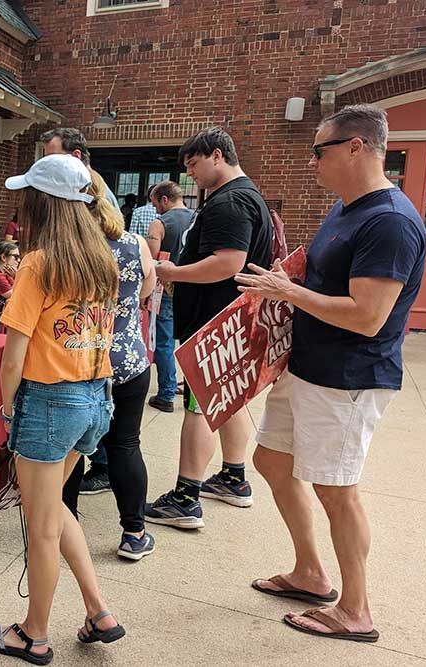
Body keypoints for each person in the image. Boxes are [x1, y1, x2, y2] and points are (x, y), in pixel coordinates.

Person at [235, 104, 426, 643]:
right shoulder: (347, 209)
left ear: (356, 147)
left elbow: (368, 316)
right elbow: (327, 280)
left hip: (348, 377)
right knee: (272, 460)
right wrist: (290, 279)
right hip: (308, 366)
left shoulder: (389, 221)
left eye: (319, 150)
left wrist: (289, 292)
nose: (312, 160)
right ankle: (310, 573)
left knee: (337, 489)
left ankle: (356, 610)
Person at [0, 154, 123, 664]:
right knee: (53, 507)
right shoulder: (102, 259)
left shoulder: (38, 263)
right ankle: (98, 610)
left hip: (49, 400)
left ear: (42, 203)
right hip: (94, 396)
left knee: (40, 524)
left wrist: (7, 410)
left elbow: (12, 355)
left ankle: (33, 634)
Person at [145, 127, 273, 528]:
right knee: (227, 401)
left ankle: (185, 498)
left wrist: (173, 272)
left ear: (217, 155)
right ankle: (234, 478)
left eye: (194, 164)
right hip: (234, 321)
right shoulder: (245, 196)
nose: (190, 174)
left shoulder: (229, 202)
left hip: (216, 325)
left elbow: (228, 263)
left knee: (198, 408)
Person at [63, 169, 157, 561]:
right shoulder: (136, 243)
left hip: (76, 361)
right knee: (125, 445)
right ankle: (134, 532)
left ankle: (65, 529)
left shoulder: (64, 249)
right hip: (128, 359)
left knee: (70, 450)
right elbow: (147, 289)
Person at [145, 180, 194, 413]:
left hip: (165, 290)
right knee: (191, 342)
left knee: (164, 342)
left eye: (155, 204)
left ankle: (166, 394)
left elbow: (150, 262)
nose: (155, 209)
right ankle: (194, 394)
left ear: (164, 199)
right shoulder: (198, 219)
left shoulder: (160, 224)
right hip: (194, 286)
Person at [40, 127, 119, 209]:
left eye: (53, 158)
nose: (47, 164)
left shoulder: (94, 196)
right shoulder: (74, 188)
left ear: (76, 156)